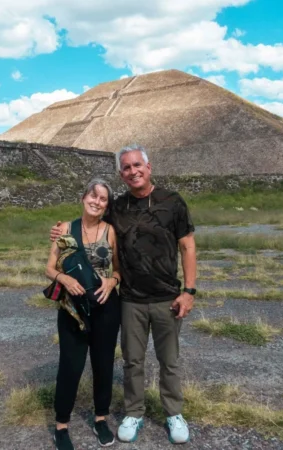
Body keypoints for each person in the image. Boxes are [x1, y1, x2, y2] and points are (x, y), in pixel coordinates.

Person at [50, 144, 196, 445]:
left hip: (168, 296)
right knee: (132, 361)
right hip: (130, 299)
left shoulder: (173, 201)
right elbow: (90, 219)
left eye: (137, 165)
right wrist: (59, 231)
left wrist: (189, 291)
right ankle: (134, 412)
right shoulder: (119, 207)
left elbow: (187, 246)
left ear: (149, 166)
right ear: (122, 173)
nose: (133, 171)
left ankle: (173, 413)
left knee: (169, 360)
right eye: (126, 168)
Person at [45, 178, 122, 450]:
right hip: (73, 310)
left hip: (106, 308)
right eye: (93, 196)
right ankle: (61, 426)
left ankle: (101, 418)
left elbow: (118, 269)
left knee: (103, 365)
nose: (97, 202)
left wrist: (112, 281)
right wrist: (63, 280)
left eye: (103, 199)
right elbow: (50, 268)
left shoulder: (111, 231)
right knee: (71, 365)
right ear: (83, 197)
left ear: (106, 205)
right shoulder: (65, 229)